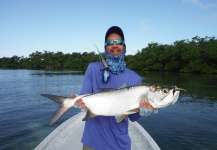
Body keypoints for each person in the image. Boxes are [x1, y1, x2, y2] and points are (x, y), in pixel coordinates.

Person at [73, 26, 156, 150]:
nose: (115, 45)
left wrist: (143, 110)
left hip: (119, 144)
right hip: (92, 142)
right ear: (106, 47)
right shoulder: (93, 68)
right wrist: (78, 103)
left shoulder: (135, 78)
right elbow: (84, 96)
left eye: (119, 42)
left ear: (124, 46)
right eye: (110, 42)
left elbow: (133, 117)